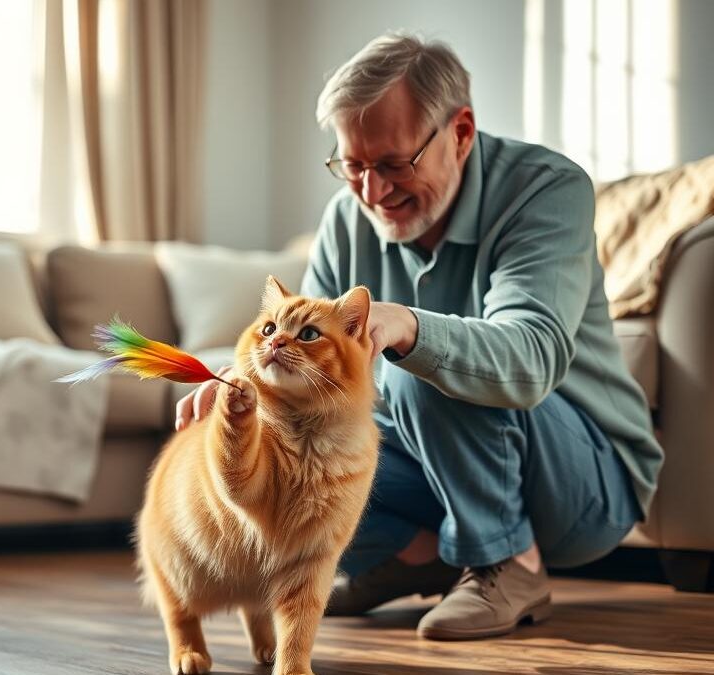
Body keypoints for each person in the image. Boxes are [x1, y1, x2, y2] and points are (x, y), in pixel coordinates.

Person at [175, 32, 662, 641]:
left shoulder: (546, 190)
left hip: (585, 483)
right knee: (287, 471)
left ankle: (508, 561)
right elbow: (309, 365)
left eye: (393, 164)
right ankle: (421, 555)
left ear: (460, 133)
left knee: (417, 373)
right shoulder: (347, 218)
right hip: (435, 474)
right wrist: (236, 396)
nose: (373, 194)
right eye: (353, 167)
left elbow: (532, 358)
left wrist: (409, 325)